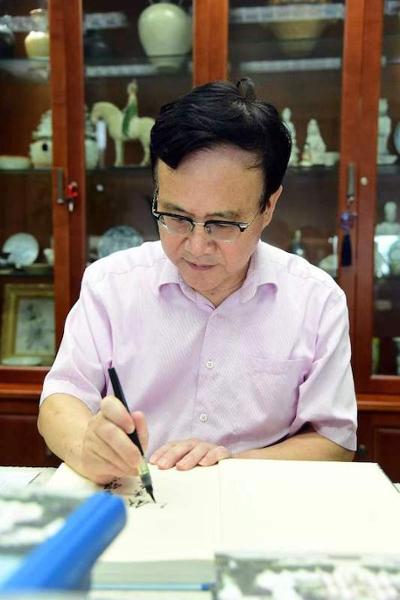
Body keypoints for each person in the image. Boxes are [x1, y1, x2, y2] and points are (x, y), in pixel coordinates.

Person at [38, 79, 357, 484]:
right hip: (136, 499)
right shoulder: (111, 285)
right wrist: (89, 444)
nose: (197, 246)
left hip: (256, 502)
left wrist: (229, 466)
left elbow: (334, 440)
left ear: (268, 207)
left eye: (222, 224)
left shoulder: (315, 300)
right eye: (176, 217)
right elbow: (60, 400)